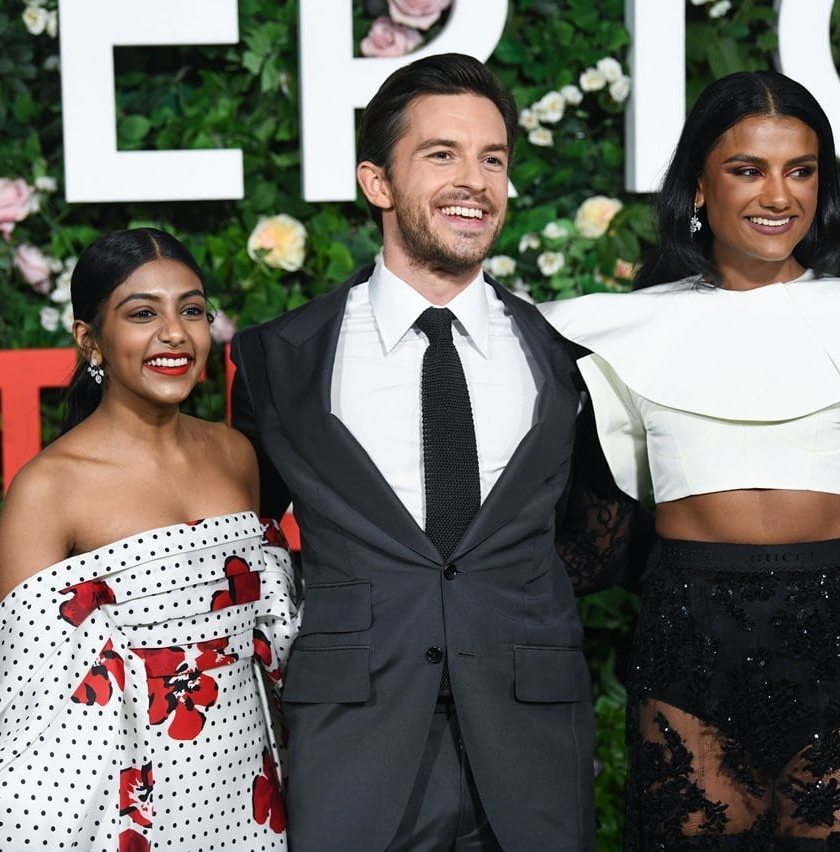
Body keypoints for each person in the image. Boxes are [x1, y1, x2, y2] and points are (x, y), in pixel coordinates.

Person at [540, 71, 840, 851]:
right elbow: (602, 548)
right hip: (687, 657)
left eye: (801, 170)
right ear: (700, 189)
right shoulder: (627, 335)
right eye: (748, 169)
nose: (778, 194)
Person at [230, 53, 595, 852]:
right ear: (377, 183)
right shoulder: (279, 359)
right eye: (442, 154)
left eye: (492, 159)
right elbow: (244, 546)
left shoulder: (567, 353)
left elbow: (586, 530)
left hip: (531, 746)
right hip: (355, 746)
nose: (475, 180)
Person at [0, 228, 296, 851]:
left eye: (191, 310)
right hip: (120, 810)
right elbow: (28, 714)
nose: (174, 334)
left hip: (250, 792)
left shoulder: (236, 454)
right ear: (90, 340)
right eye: (142, 314)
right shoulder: (49, 489)